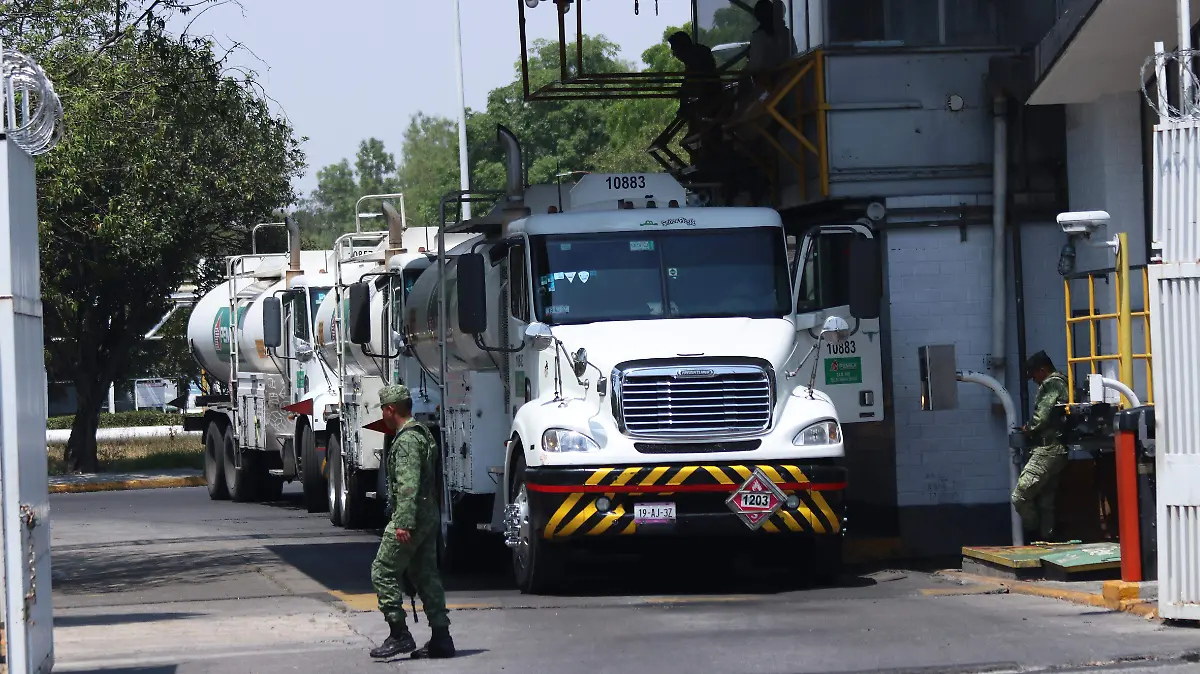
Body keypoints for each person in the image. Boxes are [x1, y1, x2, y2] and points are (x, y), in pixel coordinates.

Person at [369, 384, 454, 660]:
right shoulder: (422, 434)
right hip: (427, 515)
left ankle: (399, 634)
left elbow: (408, 484)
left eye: (383, 409)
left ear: (391, 409)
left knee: (382, 571)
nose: (382, 414)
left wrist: (403, 522)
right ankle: (442, 638)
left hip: (412, 516)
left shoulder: (406, 441)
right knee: (425, 574)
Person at [1011, 351, 1070, 543]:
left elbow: (1042, 415)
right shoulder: (1062, 381)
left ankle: (1033, 531)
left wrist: (1029, 428)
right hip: (1055, 450)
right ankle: (1047, 538)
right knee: (1046, 501)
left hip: (1047, 450)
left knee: (1020, 495)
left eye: (1034, 375)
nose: (1034, 381)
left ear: (1042, 370)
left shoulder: (1053, 383)